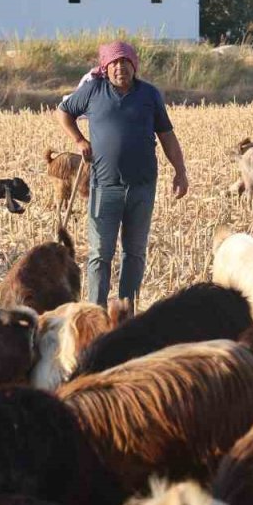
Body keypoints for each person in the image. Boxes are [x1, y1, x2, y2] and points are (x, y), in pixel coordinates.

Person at [54, 40, 188, 308]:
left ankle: (126, 312)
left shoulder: (149, 95)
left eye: (125, 62)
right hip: (105, 186)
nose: (120, 68)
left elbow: (167, 135)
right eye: (114, 63)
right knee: (100, 254)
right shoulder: (93, 91)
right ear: (105, 67)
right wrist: (80, 140)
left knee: (134, 253)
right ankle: (96, 312)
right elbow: (63, 112)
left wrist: (180, 171)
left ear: (134, 66)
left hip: (142, 187)